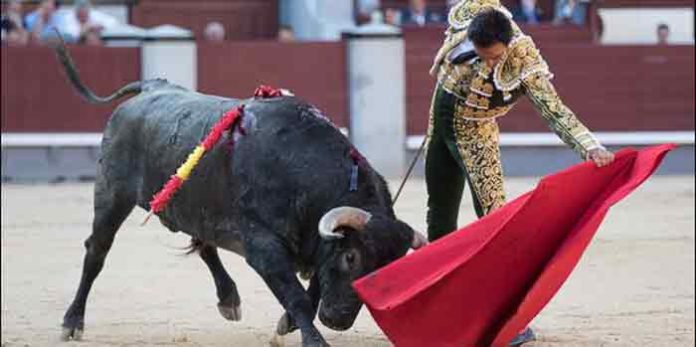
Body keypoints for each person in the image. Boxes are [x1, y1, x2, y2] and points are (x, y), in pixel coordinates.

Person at [426, 3, 614, 343]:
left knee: (496, 226)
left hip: (476, 135)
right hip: (439, 127)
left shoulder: (525, 62)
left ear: (508, 45)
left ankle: (507, 319)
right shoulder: (473, 19)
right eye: (482, 54)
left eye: (495, 57)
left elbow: (555, 111)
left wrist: (589, 146)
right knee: (439, 217)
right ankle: (442, 305)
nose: (489, 63)